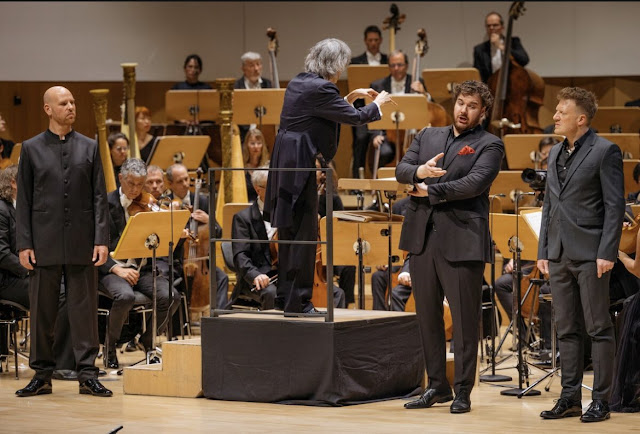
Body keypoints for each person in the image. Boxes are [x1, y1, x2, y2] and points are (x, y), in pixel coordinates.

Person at [263, 38, 394, 315]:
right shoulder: (323, 88)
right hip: (299, 165)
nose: (342, 71)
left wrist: (347, 99)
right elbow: (356, 119)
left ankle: (285, 298)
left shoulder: (300, 81)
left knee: (289, 232)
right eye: (343, 66)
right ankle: (298, 302)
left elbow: (325, 112)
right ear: (334, 65)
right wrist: (378, 103)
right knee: (304, 234)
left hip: (284, 162)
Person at [396, 80, 503, 413]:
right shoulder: (428, 136)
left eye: (472, 106)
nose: (463, 110)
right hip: (423, 239)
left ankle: (463, 391)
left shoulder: (490, 144)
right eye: (460, 102)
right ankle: (437, 387)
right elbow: (401, 169)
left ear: (482, 112)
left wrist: (429, 190)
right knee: (427, 316)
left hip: (462, 239)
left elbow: (475, 184)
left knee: (465, 320)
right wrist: (418, 171)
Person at [15, 86, 112, 397]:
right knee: (42, 310)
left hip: (83, 242)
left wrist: (101, 239)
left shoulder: (90, 146)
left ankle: (88, 375)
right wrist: (24, 243)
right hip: (42, 242)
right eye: (64, 103)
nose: (71, 107)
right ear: (48, 109)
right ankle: (41, 375)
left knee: (84, 312)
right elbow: (24, 201)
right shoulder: (30, 149)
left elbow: (99, 197)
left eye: (72, 102)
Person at [538, 87, 625, 422]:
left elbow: (615, 206)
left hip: (591, 254)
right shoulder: (555, 153)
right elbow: (548, 206)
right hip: (558, 253)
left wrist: (607, 251)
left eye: (562, 111)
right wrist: (543, 248)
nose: (556, 116)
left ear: (581, 118)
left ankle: (601, 400)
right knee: (567, 329)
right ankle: (570, 397)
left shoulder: (605, 151)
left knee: (599, 327)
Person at [98, 158, 180, 369]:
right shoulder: (103, 205)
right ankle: (110, 345)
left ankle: (148, 339)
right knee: (125, 296)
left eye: (139, 184)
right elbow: (93, 244)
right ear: (120, 179)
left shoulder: (147, 204)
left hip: (142, 268)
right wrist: (116, 268)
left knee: (171, 297)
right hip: (111, 270)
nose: (135, 190)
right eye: (131, 184)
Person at [166, 163, 229, 309]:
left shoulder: (202, 201)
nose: (186, 184)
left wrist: (209, 220)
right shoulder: (166, 203)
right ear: (170, 184)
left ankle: (220, 319)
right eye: (180, 181)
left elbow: (218, 233)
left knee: (222, 278)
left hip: (201, 261)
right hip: (178, 259)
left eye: (187, 179)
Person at [368, 50, 431, 169]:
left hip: (411, 133)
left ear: (406, 66)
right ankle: (382, 185)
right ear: (388, 67)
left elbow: (430, 108)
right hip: (387, 134)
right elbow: (371, 112)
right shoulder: (377, 85)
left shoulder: (417, 82)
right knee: (384, 152)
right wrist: (375, 135)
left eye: (400, 65)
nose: (396, 68)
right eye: (393, 65)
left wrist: (424, 93)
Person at [350, 25, 389, 179]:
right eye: (370, 40)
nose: (373, 43)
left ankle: (381, 179)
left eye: (376, 40)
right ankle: (356, 180)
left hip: (382, 109)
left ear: (380, 41)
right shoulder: (356, 62)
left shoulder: (388, 61)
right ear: (365, 41)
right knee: (360, 139)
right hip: (361, 108)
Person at [316, 159, 355, 306]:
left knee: (348, 266)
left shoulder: (332, 199)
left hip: (330, 250)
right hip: (311, 252)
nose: (314, 172)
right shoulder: (300, 198)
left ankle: (348, 304)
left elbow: (342, 229)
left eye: (317, 169)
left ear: (323, 174)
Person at [473, 11, 529, 83]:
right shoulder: (479, 49)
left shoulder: (514, 42)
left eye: (495, 25)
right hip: (490, 89)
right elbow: (478, 75)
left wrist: (501, 46)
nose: (491, 28)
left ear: (502, 27)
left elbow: (524, 60)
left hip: (514, 85)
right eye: (488, 25)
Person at [242, 128, 271, 203]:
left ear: (262, 145)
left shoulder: (268, 166)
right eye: (252, 143)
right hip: (246, 206)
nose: (256, 146)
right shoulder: (241, 167)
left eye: (259, 143)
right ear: (246, 145)